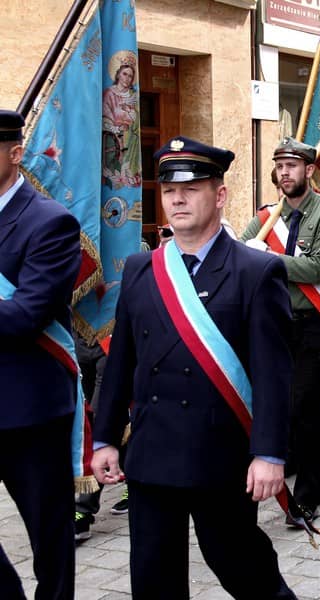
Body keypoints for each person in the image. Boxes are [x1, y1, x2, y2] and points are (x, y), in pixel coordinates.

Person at [90, 137, 296, 599]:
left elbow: (273, 375)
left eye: (191, 189)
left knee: (243, 569)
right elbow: (121, 361)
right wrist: (105, 438)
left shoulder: (256, 271)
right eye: (168, 191)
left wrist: (270, 454)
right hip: (152, 453)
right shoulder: (141, 268)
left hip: (220, 454)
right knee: (153, 578)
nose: (177, 200)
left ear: (219, 195)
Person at [241, 138, 320, 521]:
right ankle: (292, 460)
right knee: (276, 403)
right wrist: (247, 251)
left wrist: (267, 258)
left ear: (309, 170)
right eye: (280, 166)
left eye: (292, 166)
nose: (285, 173)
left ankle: (309, 492)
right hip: (274, 325)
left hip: (314, 323)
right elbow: (240, 252)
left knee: (304, 405)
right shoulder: (266, 217)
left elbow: (318, 268)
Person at [0, 110, 81, 600]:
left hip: (29, 410)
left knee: (49, 542)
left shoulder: (50, 222)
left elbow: (25, 316)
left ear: (15, 154)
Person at [101, 55, 141, 189]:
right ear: (118, 74)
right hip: (113, 137)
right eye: (124, 74)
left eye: (130, 76)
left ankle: (129, 175)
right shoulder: (109, 94)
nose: (127, 78)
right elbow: (105, 116)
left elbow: (135, 119)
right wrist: (116, 128)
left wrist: (130, 112)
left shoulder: (133, 96)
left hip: (130, 139)